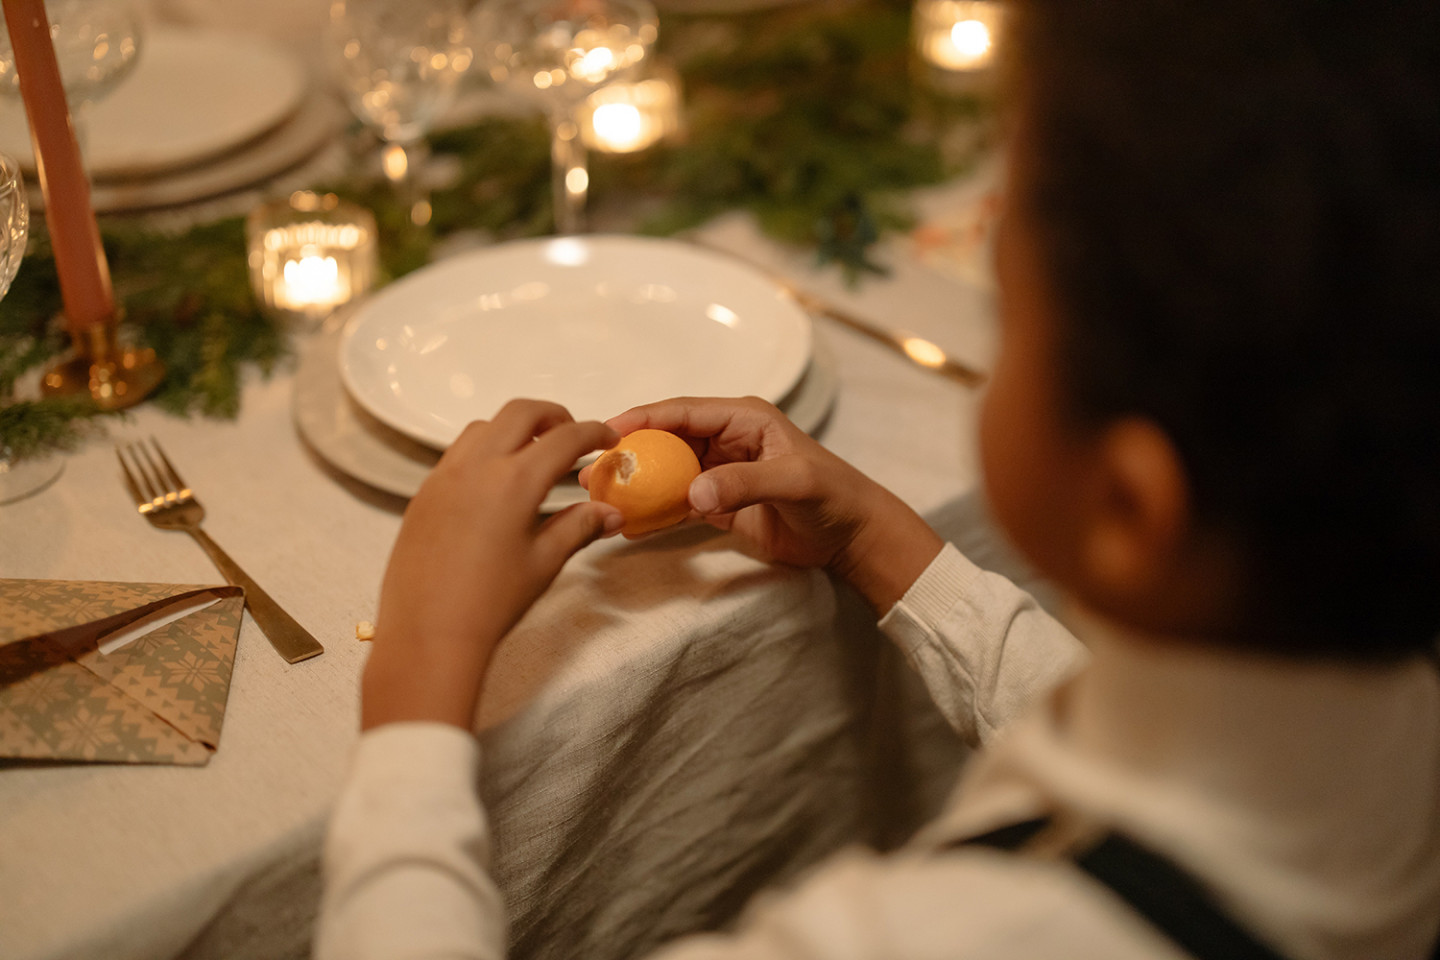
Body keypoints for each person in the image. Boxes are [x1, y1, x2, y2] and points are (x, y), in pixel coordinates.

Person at [314, 0, 1440, 957]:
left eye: (1009, 295)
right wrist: (881, 545)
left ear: (1130, 505)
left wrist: (420, 677)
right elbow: (1193, 752)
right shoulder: (1382, 708)